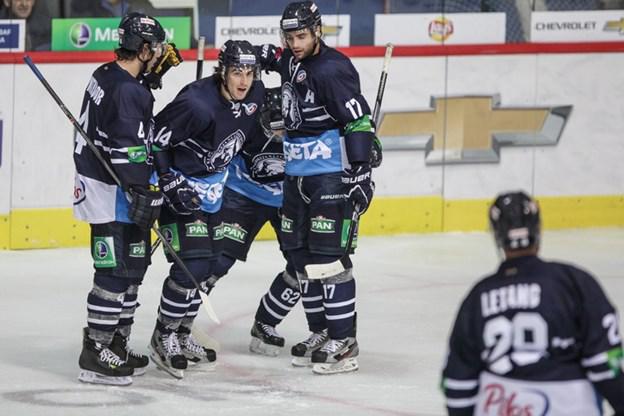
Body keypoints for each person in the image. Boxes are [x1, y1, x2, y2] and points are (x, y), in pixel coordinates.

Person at [255, 1, 380, 375]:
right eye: (289, 37)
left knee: (328, 259)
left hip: (328, 178)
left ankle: (344, 340)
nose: (294, 43)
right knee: (301, 258)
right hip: (296, 177)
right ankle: (321, 332)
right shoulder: (293, 60)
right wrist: (265, 55)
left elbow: (357, 122)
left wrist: (360, 173)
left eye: (301, 36)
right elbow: (282, 61)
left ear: (317, 31)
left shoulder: (333, 69)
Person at [441, 191, 624, 415]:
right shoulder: (574, 283)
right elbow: (604, 365)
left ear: (497, 237)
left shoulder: (477, 297)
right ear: (537, 230)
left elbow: (458, 385)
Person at [74, 12, 181, 386]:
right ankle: (96, 349)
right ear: (145, 48)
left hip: (113, 185)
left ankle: (116, 342)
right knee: (114, 272)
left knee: (134, 267)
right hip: (110, 191)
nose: (161, 57)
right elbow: (125, 149)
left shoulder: (109, 74)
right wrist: (142, 189)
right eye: (157, 50)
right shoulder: (127, 91)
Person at [149, 39, 265, 379]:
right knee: (193, 265)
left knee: (211, 264)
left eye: (250, 72)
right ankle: (164, 335)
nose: (244, 80)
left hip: (215, 191)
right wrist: (168, 180)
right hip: (183, 188)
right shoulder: (196, 104)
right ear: (222, 71)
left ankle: (182, 333)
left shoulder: (255, 95)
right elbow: (155, 138)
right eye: (236, 72)